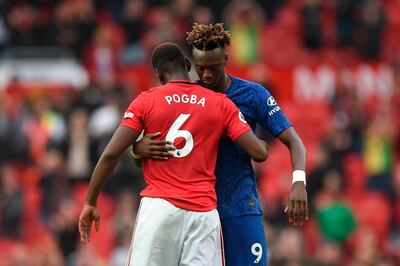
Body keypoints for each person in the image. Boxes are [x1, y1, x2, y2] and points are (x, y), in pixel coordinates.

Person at [78, 42, 269, 266]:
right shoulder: (220, 103)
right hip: (204, 213)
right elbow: (258, 152)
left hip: (161, 207)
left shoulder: (146, 101)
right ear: (188, 65)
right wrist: (262, 143)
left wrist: (90, 202)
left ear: (158, 74)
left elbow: (110, 155)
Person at [133, 23, 308, 266]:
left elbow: (294, 141)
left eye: (213, 67)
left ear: (226, 58)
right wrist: (137, 148)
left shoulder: (253, 94)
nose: (206, 75)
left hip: (239, 206)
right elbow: (152, 137)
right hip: (196, 211)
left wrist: (299, 182)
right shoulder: (185, 96)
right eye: (201, 68)